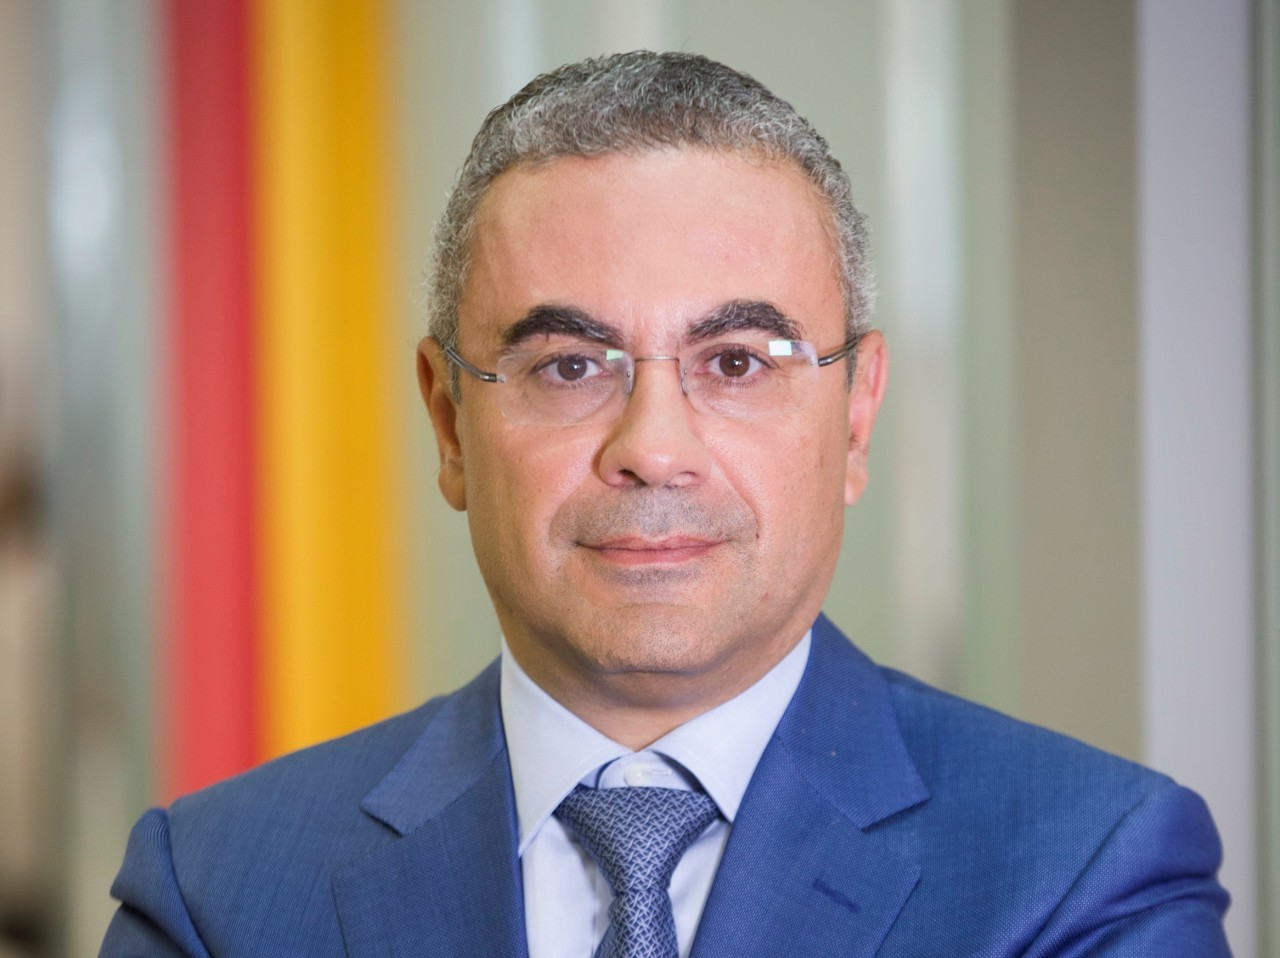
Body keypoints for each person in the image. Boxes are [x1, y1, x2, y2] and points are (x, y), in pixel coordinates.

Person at [100, 51, 1230, 957]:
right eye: (567, 366)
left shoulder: (1086, 874)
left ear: (854, 415)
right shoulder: (217, 894)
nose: (652, 450)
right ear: (448, 423)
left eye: (736, 362)